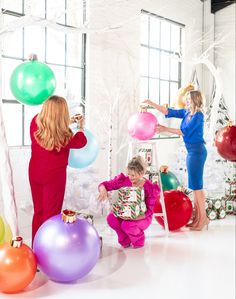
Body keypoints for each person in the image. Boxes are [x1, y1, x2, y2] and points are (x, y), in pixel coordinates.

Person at [143, 90, 208, 231]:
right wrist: (151, 103)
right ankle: (199, 218)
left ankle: (202, 219)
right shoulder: (186, 113)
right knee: (195, 186)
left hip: (197, 152)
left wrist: (164, 129)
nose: (187, 101)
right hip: (192, 151)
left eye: (189, 99)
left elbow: (184, 132)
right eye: (187, 99)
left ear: (196, 100)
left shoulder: (198, 116)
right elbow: (168, 111)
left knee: (197, 186)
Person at [29, 95, 87, 243]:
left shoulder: (35, 123)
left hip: (35, 173)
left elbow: (51, 123)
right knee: (51, 214)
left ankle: (36, 246)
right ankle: (47, 249)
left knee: (39, 212)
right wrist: (80, 127)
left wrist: (70, 121)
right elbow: (81, 141)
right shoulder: (64, 134)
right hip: (53, 177)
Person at [98, 156, 160, 248]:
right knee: (111, 218)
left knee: (127, 224)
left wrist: (138, 217)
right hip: (126, 213)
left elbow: (150, 210)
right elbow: (105, 185)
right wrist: (103, 190)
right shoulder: (124, 180)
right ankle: (125, 239)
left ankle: (139, 239)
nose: (130, 177)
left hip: (143, 216)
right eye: (129, 174)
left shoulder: (149, 187)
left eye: (133, 175)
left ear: (141, 173)